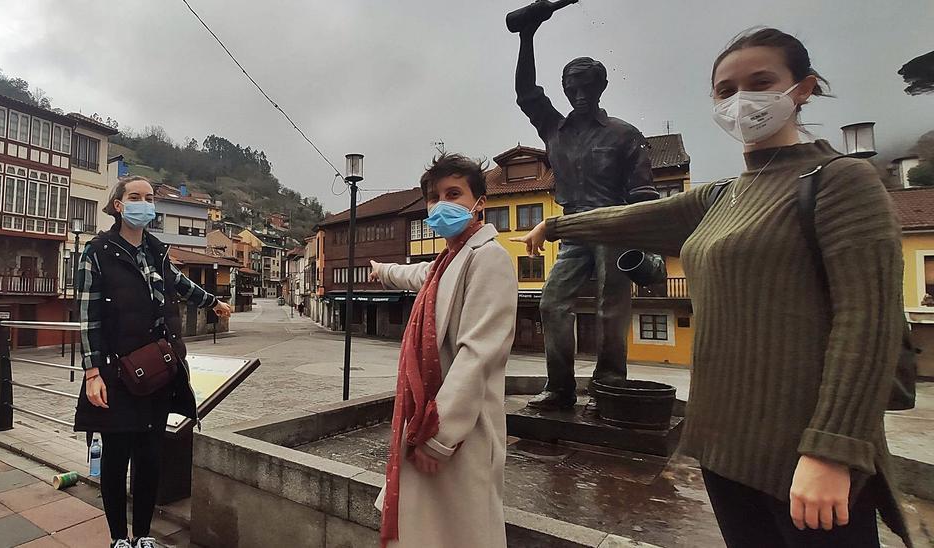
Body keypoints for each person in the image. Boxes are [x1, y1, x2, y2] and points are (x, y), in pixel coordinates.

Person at [514, 28, 911, 547]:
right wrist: (558, 226)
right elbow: (639, 216)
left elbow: (868, 324)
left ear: (804, 88)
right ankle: (565, 387)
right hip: (724, 451)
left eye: (761, 81)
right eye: (726, 90)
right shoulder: (723, 195)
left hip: (803, 459)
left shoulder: (841, 181)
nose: (741, 100)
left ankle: (611, 386)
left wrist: (833, 449)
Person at [510, 9, 660, 411]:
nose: (579, 92)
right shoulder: (553, 130)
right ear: (564, 88)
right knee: (551, 302)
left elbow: (645, 194)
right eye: (572, 85)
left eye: (587, 85)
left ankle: (609, 383)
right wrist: (527, 35)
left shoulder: (625, 135)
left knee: (611, 306)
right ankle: (560, 387)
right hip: (573, 227)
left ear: (601, 86)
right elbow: (527, 93)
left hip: (614, 227)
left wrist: (649, 246)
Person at [73, 176, 232, 548]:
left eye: (148, 198)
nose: (143, 203)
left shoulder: (157, 250)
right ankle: (119, 538)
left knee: (149, 456)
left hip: (157, 370)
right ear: (117, 205)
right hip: (115, 370)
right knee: (115, 458)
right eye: (134, 197)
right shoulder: (96, 252)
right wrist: (92, 371)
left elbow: (180, 284)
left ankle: (143, 535)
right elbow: (86, 316)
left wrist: (213, 302)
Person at [371, 153, 517, 548]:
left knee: (461, 532)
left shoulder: (489, 259)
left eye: (454, 193)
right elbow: (412, 273)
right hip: (430, 421)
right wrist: (382, 271)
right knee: (431, 531)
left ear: (479, 203)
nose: (441, 205)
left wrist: (440, 437)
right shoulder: (445, 263)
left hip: (458, 430)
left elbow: (478, 354)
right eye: (434, 198)